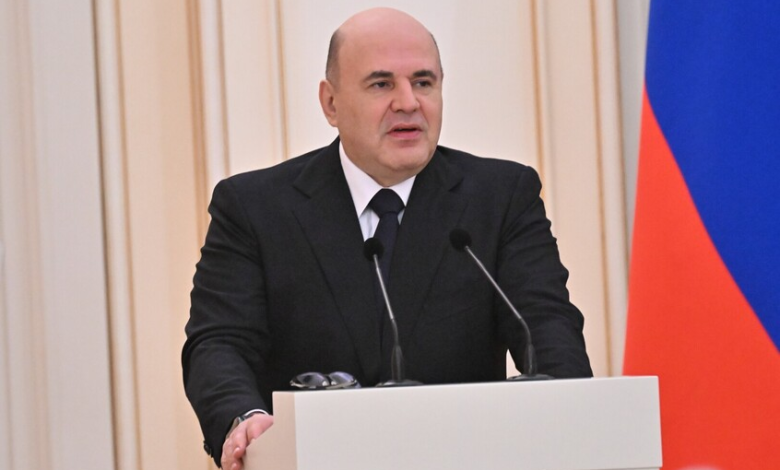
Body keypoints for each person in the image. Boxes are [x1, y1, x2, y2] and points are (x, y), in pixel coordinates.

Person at [182, 7, 592, 470]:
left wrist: (570, 414)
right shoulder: (255, 207)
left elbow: (548, 328)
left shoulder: (501, 198)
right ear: (331, 103)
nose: (408, 102)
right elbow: (219, 343)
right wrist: (244, 418)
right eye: (381, 84)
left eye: (423, 82)